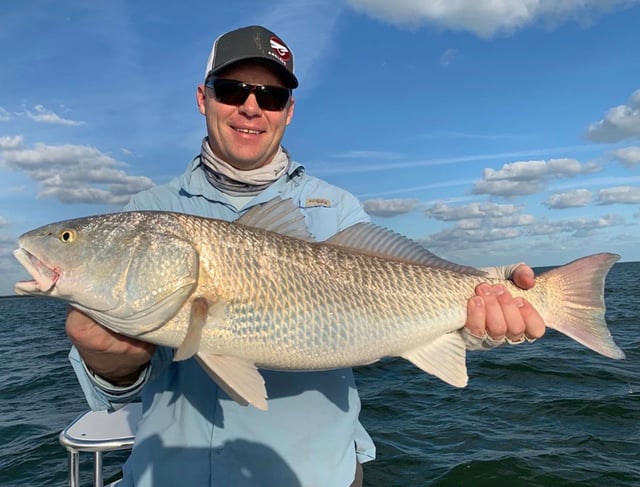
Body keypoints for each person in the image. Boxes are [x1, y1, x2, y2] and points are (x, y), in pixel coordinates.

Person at [65, 25, 545, 487]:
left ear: (288, 111)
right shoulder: (145, 215)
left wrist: (480, 319)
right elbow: (115, 393)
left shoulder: (335, 209)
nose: (251, 107)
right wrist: (108, 362)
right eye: (232, 90)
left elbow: (399, 317)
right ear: (202, 98)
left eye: (270, 96)